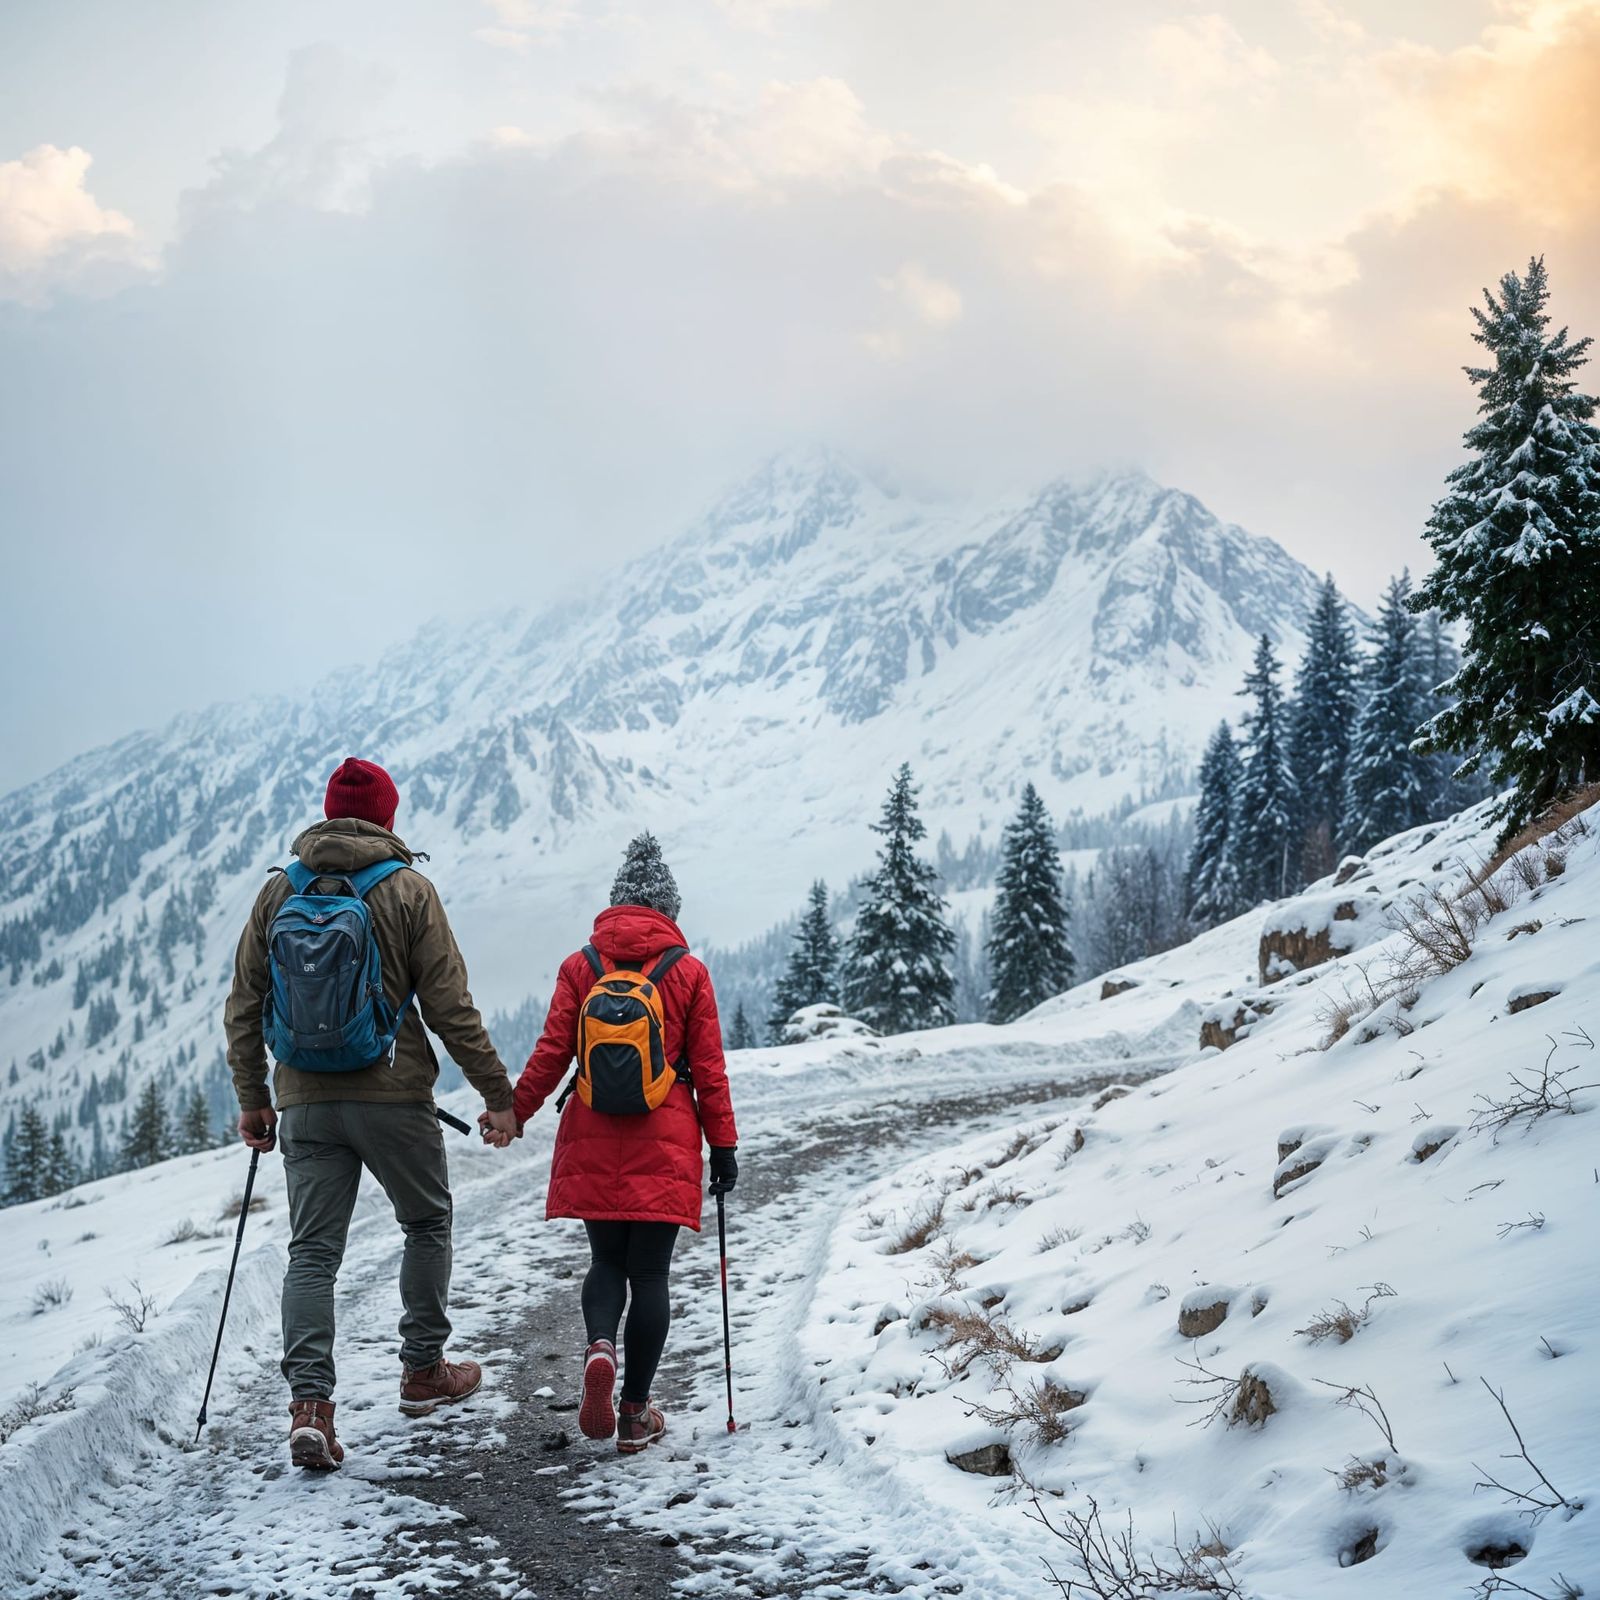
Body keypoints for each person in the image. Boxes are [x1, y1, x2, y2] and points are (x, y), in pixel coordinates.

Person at [225, 756, 520, 1472]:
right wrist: (498, 1095)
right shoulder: (408, 890)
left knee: (314, 1253)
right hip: (393, 1095)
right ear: (387, 818)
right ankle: (423, 1371)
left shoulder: (278, 892)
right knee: (425, 1222)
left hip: (304, 1102)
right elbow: (450, 1007)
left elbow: (243, 1004)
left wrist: (254, 1097)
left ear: (328, 814)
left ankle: (312, 1409)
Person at [500, 831, 738, 1454]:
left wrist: (516, 1113)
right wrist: (724, 1147)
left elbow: (553, 1052)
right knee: (650, 1274)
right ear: (669, 910)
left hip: (592, 1135)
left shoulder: (581, 966)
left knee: (607, 1263)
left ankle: (599, 1345)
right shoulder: (687, 972)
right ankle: (634, 1414)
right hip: (667, 1138)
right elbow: (709, 1070)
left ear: (616, 905)